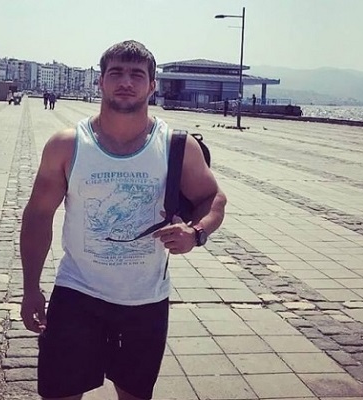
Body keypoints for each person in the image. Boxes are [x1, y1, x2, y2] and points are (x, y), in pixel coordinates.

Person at [20, 40, 226, 400]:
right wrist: (30, 287)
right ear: (101, 81)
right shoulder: (68, 145)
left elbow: (213, 198)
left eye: (137, 75)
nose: (126, 82)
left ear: (152, 85)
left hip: (145, 300)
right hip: (77, 294)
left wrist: (195, 233)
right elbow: (38, 215)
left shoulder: (176, 146)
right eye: (116, 73)